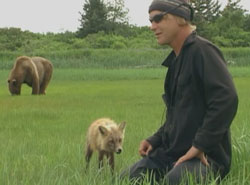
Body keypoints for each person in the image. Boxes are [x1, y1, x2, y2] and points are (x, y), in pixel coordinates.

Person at [120, 0, 238, 184]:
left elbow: (226, 99)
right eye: (150, 20)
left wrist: (200, 145)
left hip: (205, 158)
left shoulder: (203, 51)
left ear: (181, 18)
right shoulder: (176, 61)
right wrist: (156, 139)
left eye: (158, 19)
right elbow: (177, 114)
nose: (152, 26)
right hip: (171, 154)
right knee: (127, 178)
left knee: (175, 181)